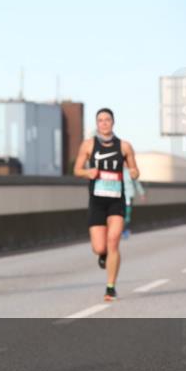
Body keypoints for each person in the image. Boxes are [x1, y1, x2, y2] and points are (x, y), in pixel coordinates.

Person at [73, 108, 140, 302]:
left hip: (116, 200)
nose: (104, 123)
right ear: (97, 124)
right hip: (97, 201)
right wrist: (87, 172)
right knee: (99, 247)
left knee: (113, 241)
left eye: (107, 119)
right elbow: (77, 169)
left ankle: (110, 287)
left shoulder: (124, 146)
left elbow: (135, 170)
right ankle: (103, 255)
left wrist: (134, 173)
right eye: (100, 120)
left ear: (113, 122)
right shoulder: (88, 145)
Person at [121, 165, 146, 239]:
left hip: (129, 196)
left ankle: (126, 230)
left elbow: (137, 184)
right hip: (119, 196)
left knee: (127, 213)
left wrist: (142, 194)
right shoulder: (118, 171)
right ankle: (120, 229)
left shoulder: (131, 172)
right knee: (119, 214)